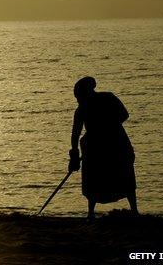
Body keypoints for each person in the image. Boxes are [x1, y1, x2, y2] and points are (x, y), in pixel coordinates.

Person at [69, 76, 138, 219]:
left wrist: (106, 128)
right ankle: (91, 213)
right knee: (94, 178)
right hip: (96, 147)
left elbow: (124, 115)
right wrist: (74, 155)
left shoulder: (108, 98)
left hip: (115, 142)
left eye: (78, 97)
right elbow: (75, 134)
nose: (77, 100)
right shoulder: (81, 109)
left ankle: (133, 210)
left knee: (124, 175)